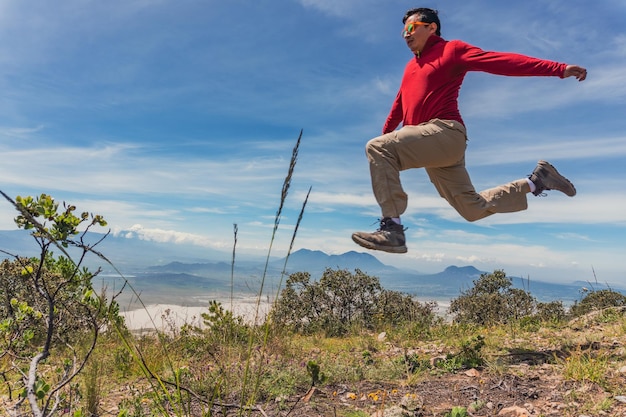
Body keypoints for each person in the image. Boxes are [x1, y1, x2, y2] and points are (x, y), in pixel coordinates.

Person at [352, 7, 587, 254]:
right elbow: (398, 107)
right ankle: (536, 181)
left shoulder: (451, 50)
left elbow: (501, 62)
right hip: (433, 149)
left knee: (377, 147)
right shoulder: (411, 67)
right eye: (403, 32)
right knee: (472, 209)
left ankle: (392, 229)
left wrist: (557, 69)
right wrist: (386, 135)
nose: (406, 35)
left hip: (444, 131)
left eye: (411, 28)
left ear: (431, 27)